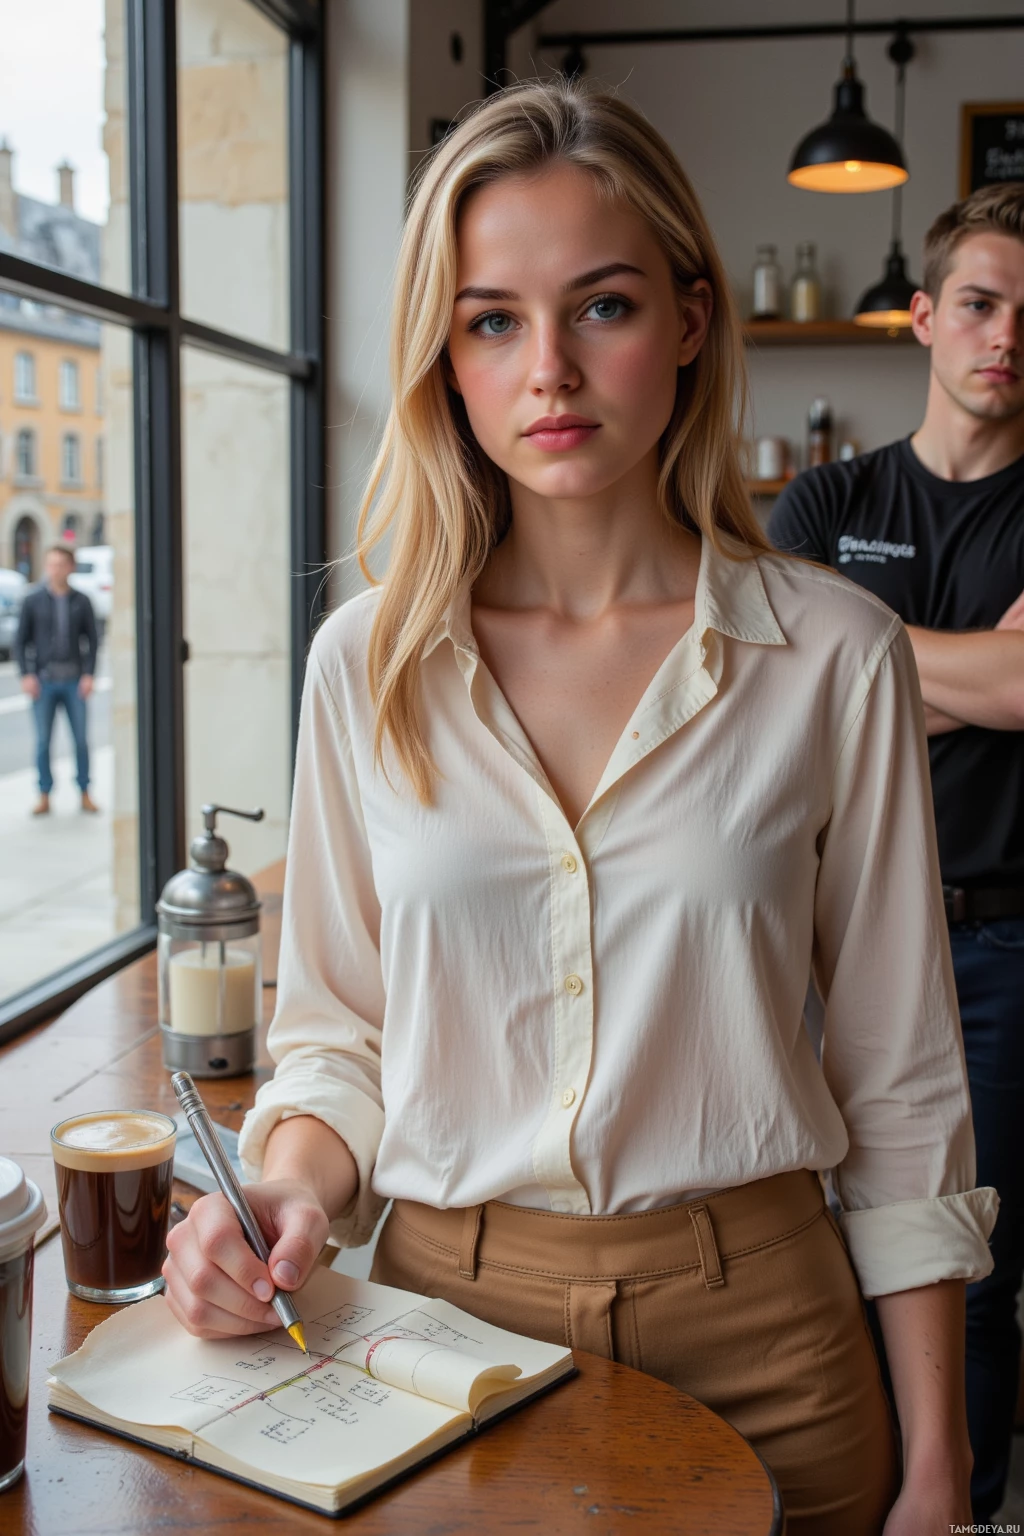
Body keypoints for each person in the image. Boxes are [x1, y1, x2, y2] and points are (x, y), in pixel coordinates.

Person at [163, 82, 997, 1533]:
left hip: (773, 1338)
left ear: (686, 319)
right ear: (446, 351)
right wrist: (285, 1193)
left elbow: (904, 1091)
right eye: (492, 320)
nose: (547, 368)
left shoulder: (836, 653)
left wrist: (943, 1465)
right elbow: (335, 1033)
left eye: (598, 307)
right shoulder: (367, 661)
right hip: (441, 1326)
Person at [769, 181, 1024, 1523]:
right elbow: (781, 686)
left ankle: (952, 1508)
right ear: (923, 317)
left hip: (995, 937)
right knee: (807, 1247)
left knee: (966, 1259)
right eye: (979, 305)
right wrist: (968, 666)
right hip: (822, 934)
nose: (1005, 336)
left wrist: (861, 655)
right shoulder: (829, 495)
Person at [15, 544, 100, 816]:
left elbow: (93, 640)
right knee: (42, 741)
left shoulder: (81, 601)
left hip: (74, 680)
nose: (55, 570)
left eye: (61, 564)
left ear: (71, 567)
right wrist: (26, 674)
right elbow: (21, 641)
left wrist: (89, 674)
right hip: (44, 680)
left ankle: (84, 790)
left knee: (81, 741)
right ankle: (44, 793)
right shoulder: (33, 600)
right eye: (51, 564)